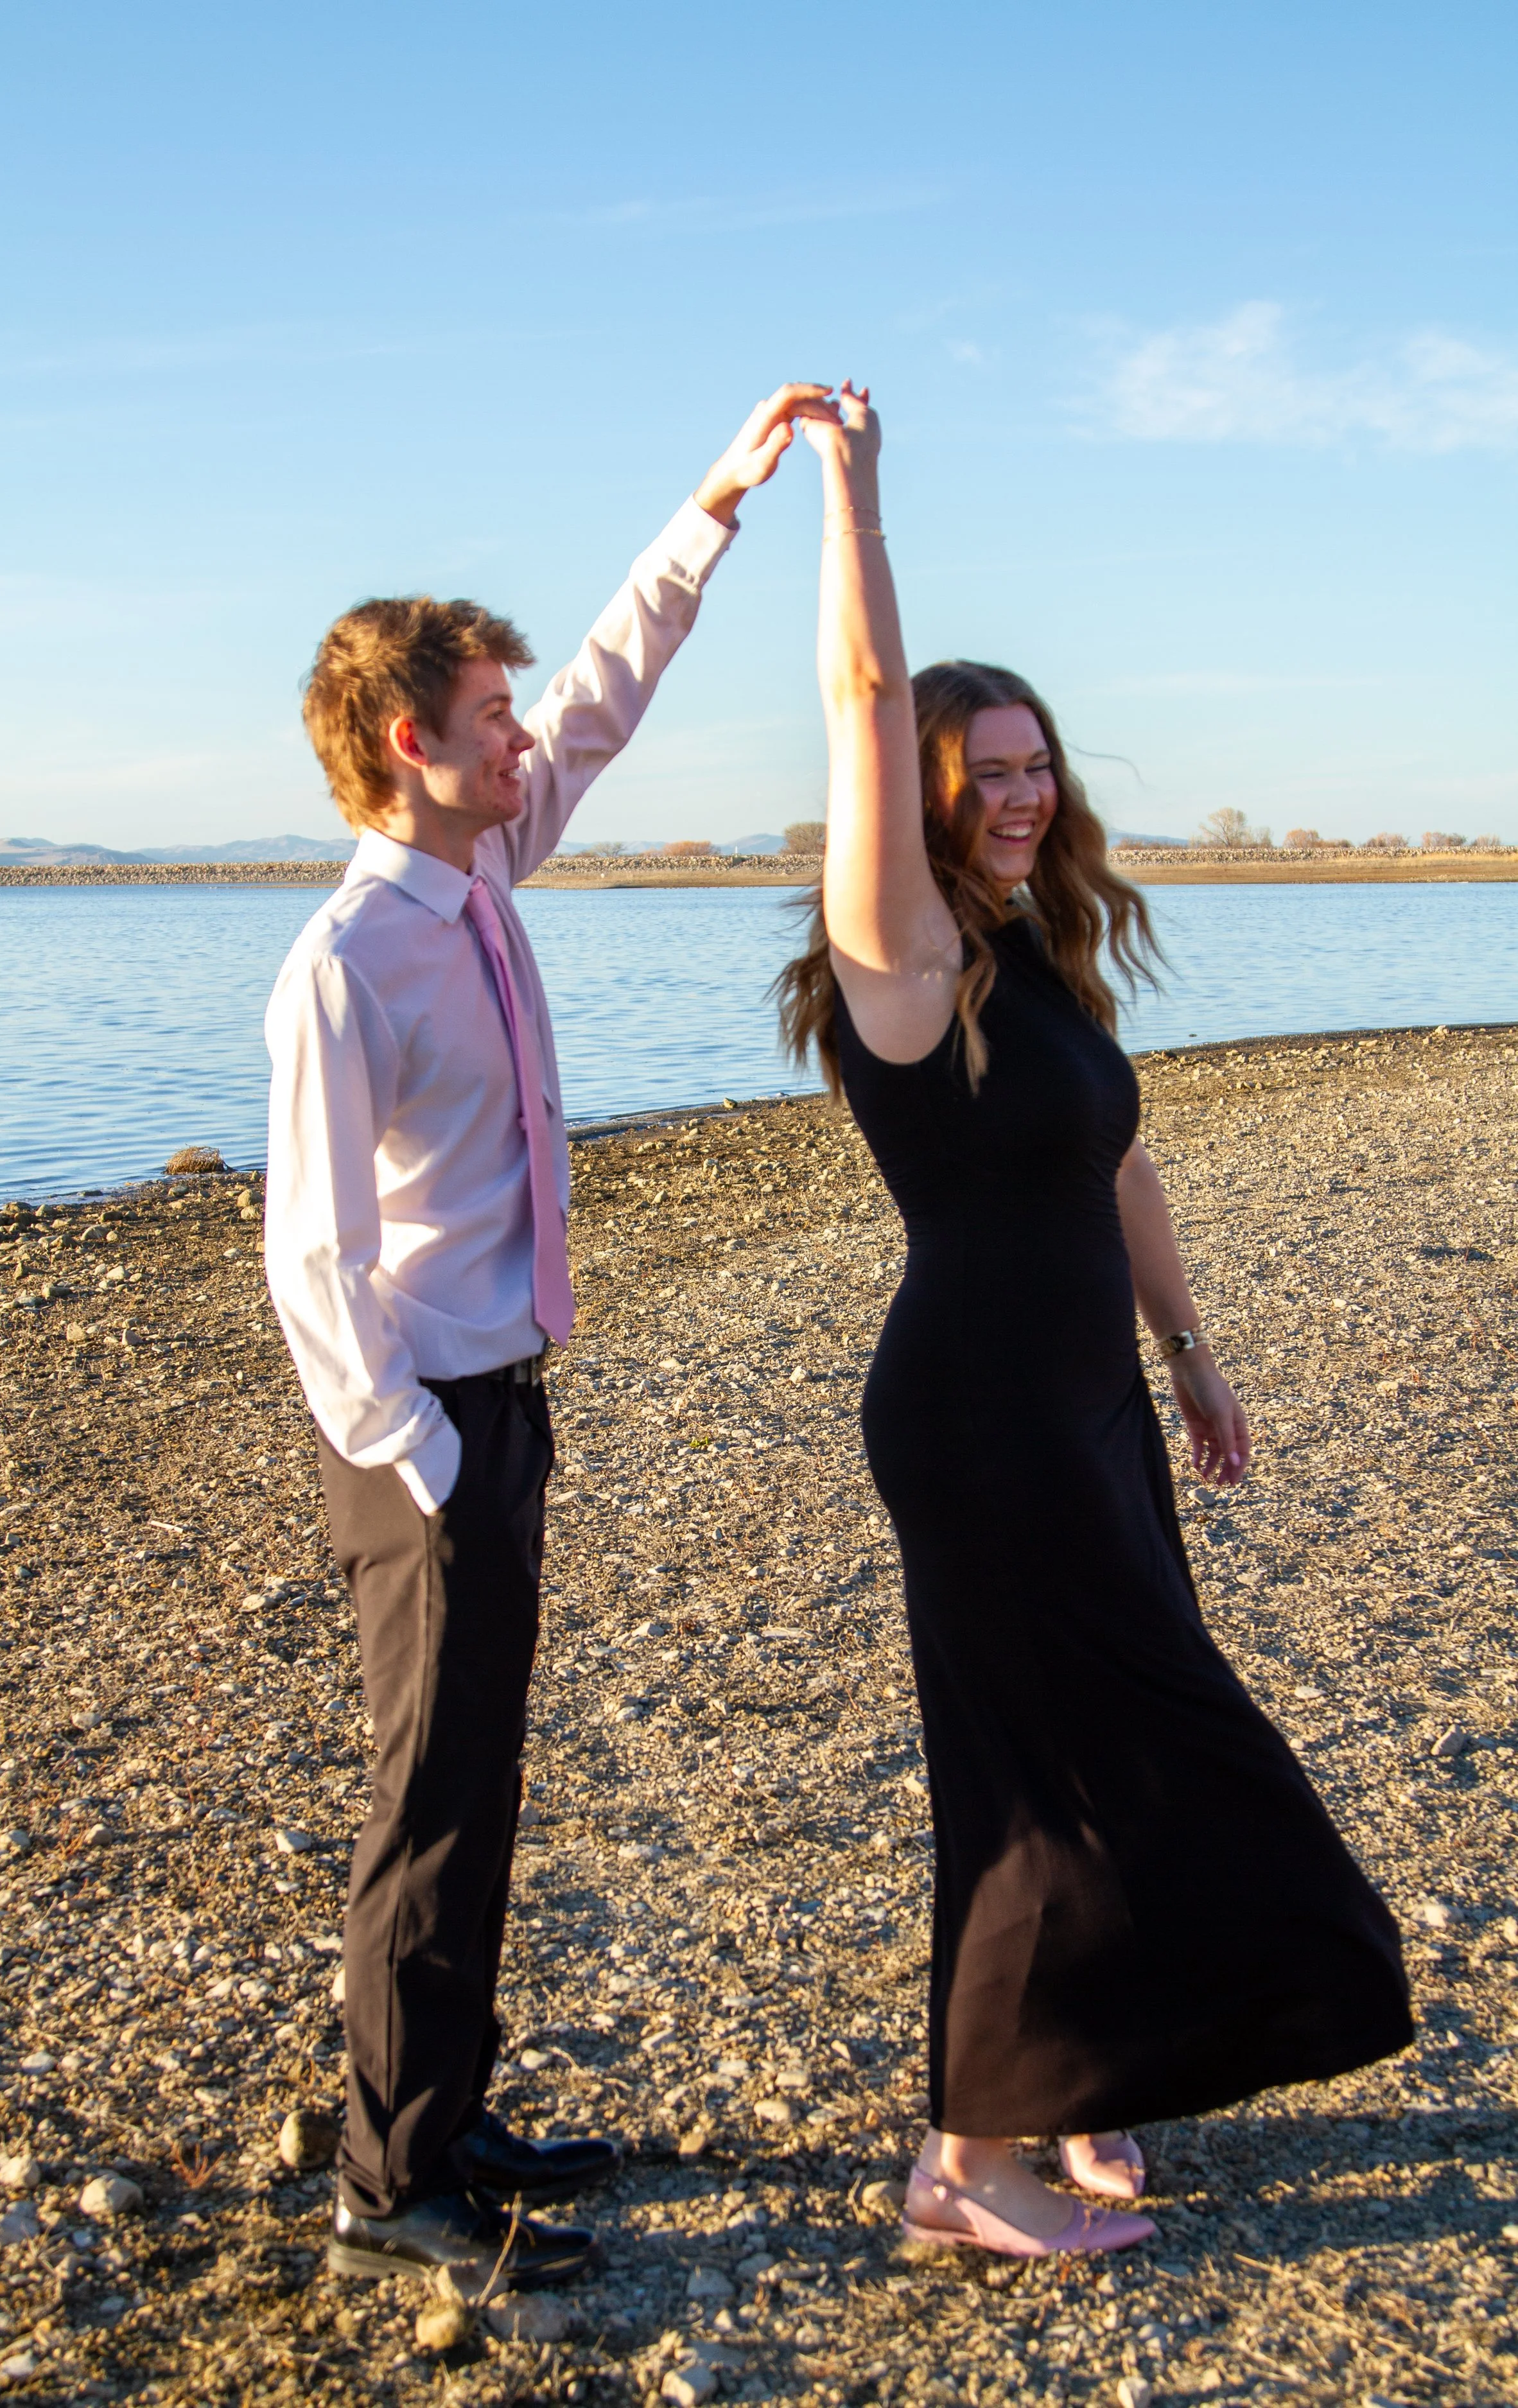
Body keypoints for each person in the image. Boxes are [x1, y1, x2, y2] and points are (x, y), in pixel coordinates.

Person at [778, 385, 1413, 2260]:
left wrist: (1188, 1348)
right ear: (919, 781)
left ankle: (1077, 2086)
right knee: (1043, 1761)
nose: (1016, 789)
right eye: (979, 764)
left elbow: (1114, 1162)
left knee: (1120, 1737)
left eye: (1036, 760)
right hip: (976, 1417)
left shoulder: (1035, 955)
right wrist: (855, 496)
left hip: (1082, 1409)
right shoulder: (897, 951)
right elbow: (849, 702)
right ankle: (967, 2160)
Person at [264, 383, 838, 2298]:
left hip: (498, 1402)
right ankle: (387, 2191)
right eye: (490, 717)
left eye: (515, 715)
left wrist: (716, 504)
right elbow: (311, 1248)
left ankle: (452, 2113)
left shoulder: (490, 867)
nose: (527, 736)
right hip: (420, 1425)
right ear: (405, 745)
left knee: (482, 1782)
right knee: (423, 1806)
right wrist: (419, 1452)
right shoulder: (345, 964)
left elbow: (605, 685)